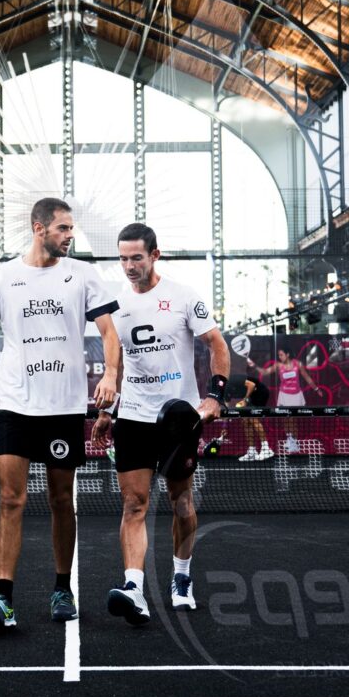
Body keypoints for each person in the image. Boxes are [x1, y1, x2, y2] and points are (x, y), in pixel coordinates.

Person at [0, 197, 120, 631]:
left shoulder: (83, 275)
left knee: (61, 499)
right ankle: (3, 598)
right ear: (39, 228)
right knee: (11, 499)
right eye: (63, 228)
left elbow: (108, 331)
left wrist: (111, 374)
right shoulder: (4, 277)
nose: (70, 235)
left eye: (71, 228)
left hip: (63, 406)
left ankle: (62, 589)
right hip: (15, 405)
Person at [91, 222, 229, 624]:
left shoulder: (183, 297)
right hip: (133, 416)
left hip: (177, 419)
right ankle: (134, 588)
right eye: (122, 259)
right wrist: (107, 411)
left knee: (181, 502)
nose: (129, 266)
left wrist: (215, 396)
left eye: (136, 257)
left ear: (155, 255)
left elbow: (217, 345)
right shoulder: (114, 305)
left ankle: (181, 576)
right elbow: (115, 363)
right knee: (134, 503)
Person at [242, 347, 314, 460]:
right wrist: (254, 365)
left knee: (293, 419)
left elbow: (307, 377)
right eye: (279, 355)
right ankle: (289, 439)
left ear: (287, 354)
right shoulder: (278, 366)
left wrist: (316, 389)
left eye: (281, 355)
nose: (280, 357)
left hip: (296, 395)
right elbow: (265, 372)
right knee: (285, 419)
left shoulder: (298, 364)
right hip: (284, 395)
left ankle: (294, 442)